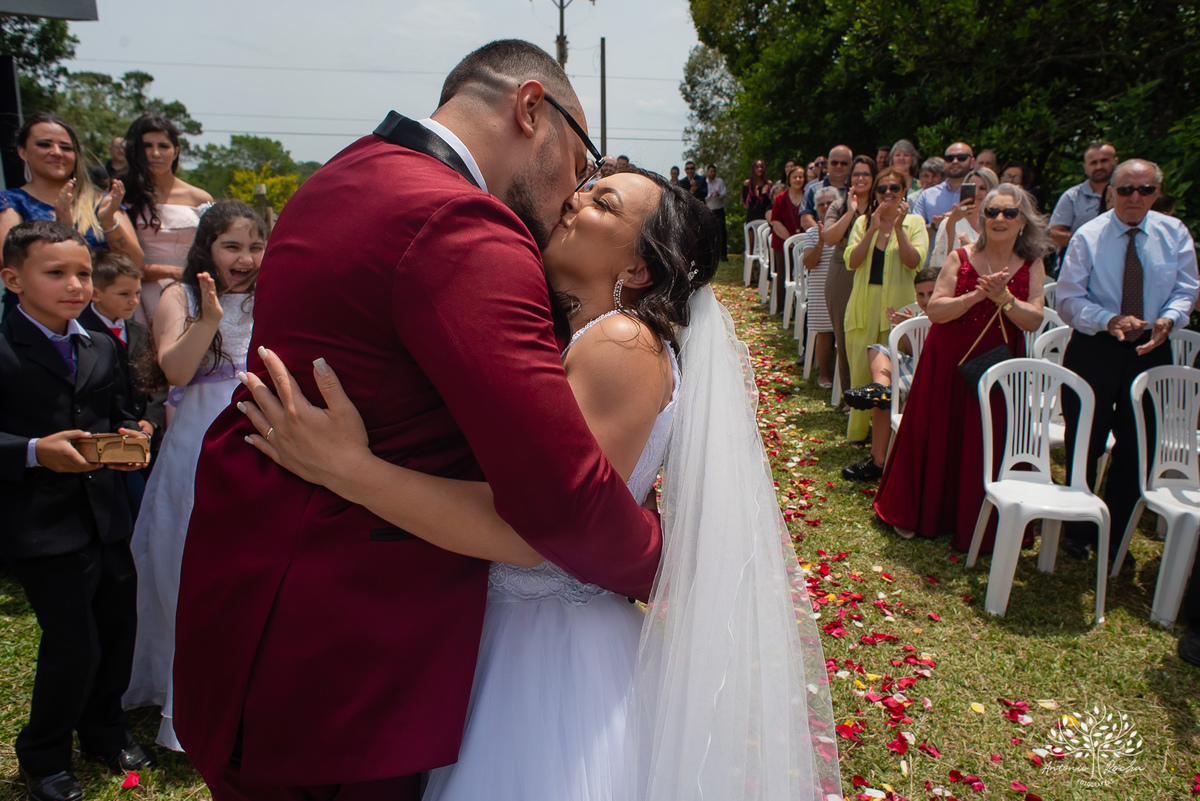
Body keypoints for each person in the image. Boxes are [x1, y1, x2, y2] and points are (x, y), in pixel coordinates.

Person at [172, 40, 664, 799]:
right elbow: (562, 500)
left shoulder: (337, 176)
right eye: (581, 157)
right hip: (344, 659)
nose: (574, 187)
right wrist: (666, 560)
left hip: (252, 599)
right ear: (533, 109)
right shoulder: (459, 223)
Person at [0, 221, 153, 801]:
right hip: (41, 524)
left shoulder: (100, 344)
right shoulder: (5, 346)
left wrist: (133, 432)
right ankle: (43, 755)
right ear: (13, 279)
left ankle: (104, 731)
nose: (75, 285)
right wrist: (37, 452)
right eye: (56, 273)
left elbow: (121, 409)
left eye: (83, 273)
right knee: (74, 643)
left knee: (118, 628)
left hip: (107, 515)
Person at [124, 201, 265, 751]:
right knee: (185, 565)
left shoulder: (268, 301)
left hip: (256, 435)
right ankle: (184, 709)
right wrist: (208, 317)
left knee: (246, 568)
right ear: (207, 247)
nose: (246, 258)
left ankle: (247, 692)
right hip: (196, 444)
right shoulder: (177, 299)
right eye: (233, 245)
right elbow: (176, 370)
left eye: (255, 246)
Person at [874, 184, 1048, 548]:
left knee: (986, 439)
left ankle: (978, 523)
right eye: (991, 212)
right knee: (936, 433)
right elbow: (935, 311)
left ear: (1022, 222)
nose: (999, 219)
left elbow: (1033, 320)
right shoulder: (959, 256)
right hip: (948, 361)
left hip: (998, 365)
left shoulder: (1032, 264)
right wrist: (978, 295)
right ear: (981, 218)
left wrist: (1005, 298)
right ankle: (921, 512)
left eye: (1009, 213)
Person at [1056, 159, 1199, 562]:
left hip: (1151, 348)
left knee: (1138, 444)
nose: (1135, 197)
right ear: (1111, 192)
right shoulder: (1089, 235)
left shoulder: (1174, 234)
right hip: (1095, 347)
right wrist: (1108, 319)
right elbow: (1067, 299)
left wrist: (1172, 317)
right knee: (1085, 440)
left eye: (1146, 189)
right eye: (1126, 190)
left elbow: (1187, 288)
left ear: (1156, 192)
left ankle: (1115, 534)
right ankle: (1078, 528)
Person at [0, 114, 143, 316]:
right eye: (44, 145)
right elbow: (7, 260)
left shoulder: (103, 202)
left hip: (99, 320)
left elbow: (134, 263)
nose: (56, 152)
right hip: (35, 320)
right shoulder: (11, 202)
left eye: (66, 147)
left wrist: (108, 221)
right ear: (23, 152)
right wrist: (62, 229)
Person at [78, 252, 167, 518]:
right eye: (123, 294)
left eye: (138, 293)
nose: (134, 301)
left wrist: (151, 420)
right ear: (96, 293)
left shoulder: (140, 331)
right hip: (105, 440)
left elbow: (157, 382)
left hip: (145, 435)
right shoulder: (82, 332)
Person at [843, 167, 928, 441]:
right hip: (863, 306)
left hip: (898, 310)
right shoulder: (862, 223)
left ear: (904, 192)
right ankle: (857, 433)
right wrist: (873, 230)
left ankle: (891, 438)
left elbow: (913, 262)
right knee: (860, 371)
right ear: (876, 194)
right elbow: (852, 262)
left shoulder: (915, 223)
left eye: (895, 188)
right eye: (882, 189)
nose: (888, 193)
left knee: (892, 373)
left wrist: (899, 228)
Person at [841, 266, 939, 481]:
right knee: (878, 349)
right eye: (921, 294)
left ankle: (877, 461)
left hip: (934, 374)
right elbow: (913, 352)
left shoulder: (948, 316)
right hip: (916, 365)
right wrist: (905, 330)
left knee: (889, 395)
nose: (925, 299)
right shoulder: (920, 315)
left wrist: (912, 327)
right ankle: (879, 387)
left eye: (931, 293)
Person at [122, 114, 214, 325]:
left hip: (192, 288)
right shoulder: (124, 196)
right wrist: (171, 272)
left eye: (163, 146)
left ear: (176, 151)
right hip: (138, 292)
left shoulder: (200, 198)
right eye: (147, 146)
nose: (155, 153)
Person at [822, 155, 878, 398]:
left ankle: (875, 389)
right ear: (850, 179)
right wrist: (851, 212)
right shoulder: (838, 206)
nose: (861, 178)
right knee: (844, 336)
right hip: (842, 272)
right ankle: (849, 393)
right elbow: (829, 238)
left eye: (866, 174)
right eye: (857, 174)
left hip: (874, 271)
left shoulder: (881, 205)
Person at [799, 185, 839, 387]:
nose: (825, 207)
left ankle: (842, 376)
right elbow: (809, 263)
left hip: (841, 286)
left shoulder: (847, 228)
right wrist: (821, 242)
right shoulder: (812, 233)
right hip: (819, 287)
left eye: (830, 203)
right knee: (824, 332)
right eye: (821, 204)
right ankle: (824, 374)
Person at [1049, 142, 1117, 250]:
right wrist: (1090, 237)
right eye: (1093, 163)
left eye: (1104, 161)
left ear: (1115, 162)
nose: (1099, 166)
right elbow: (1054, 235)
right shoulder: (1072, 196)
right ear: (1085, 167)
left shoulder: (1128, 193)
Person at [929, 167, 999, 268]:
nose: (976, 193)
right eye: (973, 188)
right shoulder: (951, 222)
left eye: (983, 188)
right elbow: (941, 263)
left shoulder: (999, 224)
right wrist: (952, 222)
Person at [912, 142, 975, 253]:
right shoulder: (927, 195)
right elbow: (913, 232)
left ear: (972, 162)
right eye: (949, 158)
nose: (955, 161)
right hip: (933, 265)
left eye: (961, 158)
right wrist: (935, 226)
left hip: (971, 264)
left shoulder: (981, 196)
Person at [769, 165, 806, 313]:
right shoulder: (781, 198)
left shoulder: (807, 195)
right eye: (795, 177)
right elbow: (775, 221)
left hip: (804, 244)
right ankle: (783, 308)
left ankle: (800, 306)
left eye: (801, 177)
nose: (798, 179)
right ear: (789, 179)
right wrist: (790, 240)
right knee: (784, 273)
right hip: (782, 242)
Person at [800, 145, 852, 230]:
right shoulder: (813, 189)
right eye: (834, 163)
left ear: (851, 164)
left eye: (844, 163)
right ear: (827, 163)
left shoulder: (856, 189)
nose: (839, 166)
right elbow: (805, 219)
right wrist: (825, 235)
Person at [704, 163, 727, 258]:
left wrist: (719, 195)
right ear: (707, 172)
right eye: (711, 171)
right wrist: (710, 195)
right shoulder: (704, 182)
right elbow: (703, 196)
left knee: (722, 231)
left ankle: (723, 254)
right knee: (709, 232)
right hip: (709, 209)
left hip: (719, 209)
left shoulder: (720, 182)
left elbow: (724, 194)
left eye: (714, 171)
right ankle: (710, 253)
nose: (712, 173)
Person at [742, 158, 771, 222]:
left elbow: (769, 203)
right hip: (752, 215)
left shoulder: (768, 184)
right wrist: (755, 196)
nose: (759, 169)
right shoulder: (747, 183)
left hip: (765, 215)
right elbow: (745, 202)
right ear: (753, 169)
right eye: (757, 167)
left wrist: (764, 194)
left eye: (761, 167)